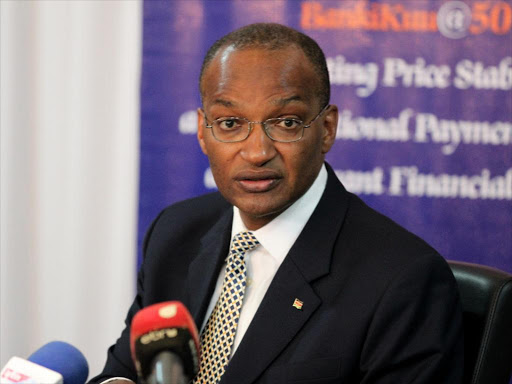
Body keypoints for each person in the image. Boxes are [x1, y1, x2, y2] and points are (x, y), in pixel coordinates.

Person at [89, 23, 463, 384]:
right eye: (231, 123)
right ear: (203, 132)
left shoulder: (402, 280)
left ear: (327, 129)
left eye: (285, 123)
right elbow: (122, 369)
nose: (256, 152)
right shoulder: (175, 233)